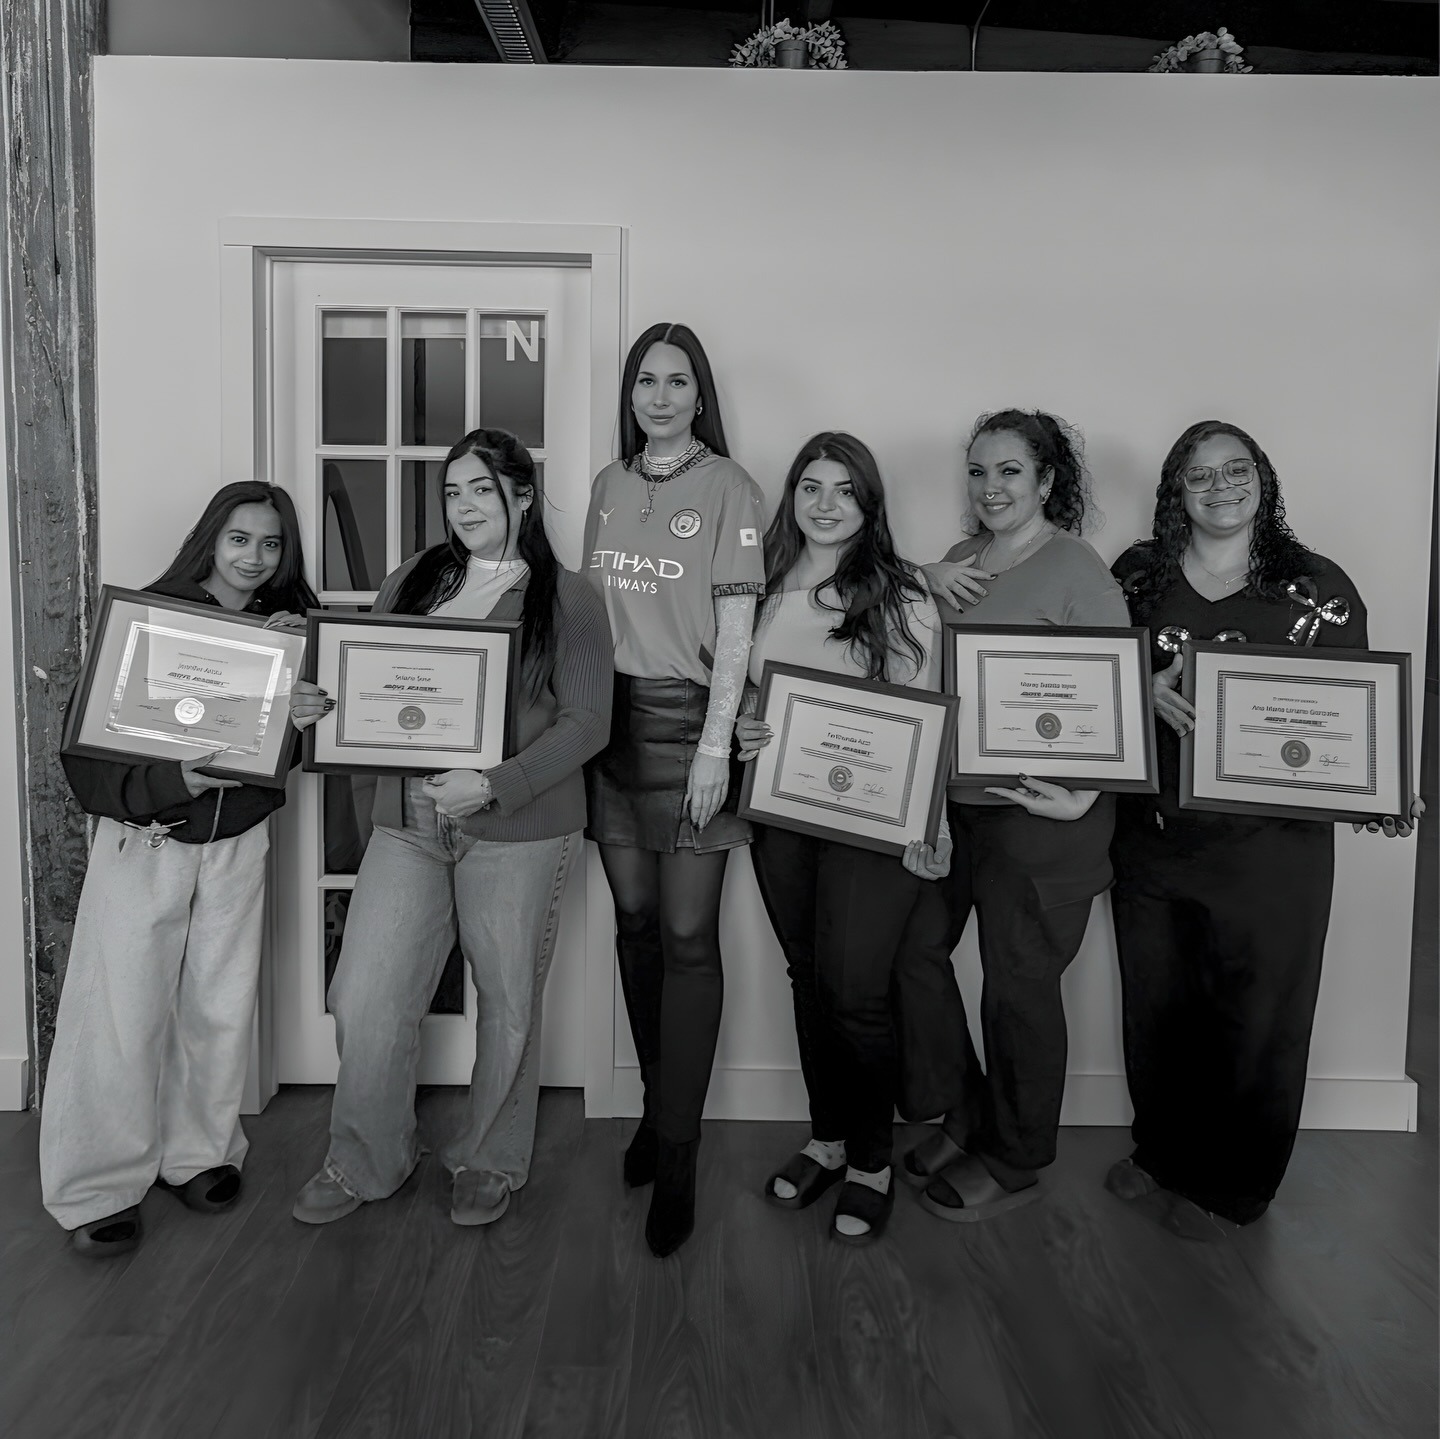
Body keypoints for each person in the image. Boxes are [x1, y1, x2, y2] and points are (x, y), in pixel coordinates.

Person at [1106, 419, 1421, 1239]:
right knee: (1158, 1007)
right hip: (1154, 835)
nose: (1220, 487)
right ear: (1175, 492)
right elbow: (1090, 684)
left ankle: (1234, 1185)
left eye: (1236, 469)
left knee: (1258, 1019)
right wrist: (1139, 687)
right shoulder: (1136, 575)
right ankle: (1161, 1152)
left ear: (1263, 479)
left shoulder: (1317, 586)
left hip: (1274, 849)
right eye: (1199, 475)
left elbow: (1351, 718)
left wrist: (1384, 788)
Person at [292, 428, 612, 1228]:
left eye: (482, 489)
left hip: (518, 825)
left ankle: (489, 1158)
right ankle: (367, 1158)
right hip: (407, 822)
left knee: (506, 1001)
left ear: (524, 496)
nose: (465, 506)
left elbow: (588, 723)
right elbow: (365, 685)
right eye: (452, 491)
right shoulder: (412, 579)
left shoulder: (569, 597)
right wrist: (317, 703)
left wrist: (493, 783)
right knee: (365, 994)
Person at [42, 481, 318, 1257]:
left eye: (270, 543)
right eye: (240, 538)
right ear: (211, 539)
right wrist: (172, 780)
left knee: (218, 1006)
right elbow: (85, 746)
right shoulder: (149, 619)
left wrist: (300, 718)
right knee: (120, 1012)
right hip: (149, 838)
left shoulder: (289, 631)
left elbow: (282, 753)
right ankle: (96, 1184)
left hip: (238, 844)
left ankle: (198, 1152)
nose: (254, 557)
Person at [893, 410, 1131, 1221]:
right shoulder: (959, 559)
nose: (990, 487)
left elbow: (1114, 695)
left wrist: (1085, 794)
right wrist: (922, 575)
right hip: (954, 806)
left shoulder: (1077, 570)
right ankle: (969, 1115)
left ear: (1046, 480)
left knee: (1018, 987)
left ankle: (1016, 1155)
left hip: (1041, 815)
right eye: (978, 471)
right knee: (914, 950)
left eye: (1009, 472)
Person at [735, 432, 949, 1246]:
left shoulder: (902, 593)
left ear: (869, 504)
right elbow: (743, 691)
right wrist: (745, 727)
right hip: (782, 811)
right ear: (791, 495)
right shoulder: (758, 586)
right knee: (809, 977)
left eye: (844, 490)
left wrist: (931, 824)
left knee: (857, 992)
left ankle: (870, 1160)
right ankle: (826, 1138)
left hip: (873, 823)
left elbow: (925, 713)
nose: (826, 505)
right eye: (811, 487)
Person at [583, 323, 765, 1257]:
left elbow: (737, 630)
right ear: (631, 393)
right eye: (645, 381)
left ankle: (682, 1153)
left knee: (690, 937)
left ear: (700, 395)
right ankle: (659, 1113)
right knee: (636, 925)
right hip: (610, 729)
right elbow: (591, 617)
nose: (659, 397)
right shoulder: (608, 485)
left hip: (690, 721)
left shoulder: (731, 486)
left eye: (677, 382)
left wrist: (714, 746)